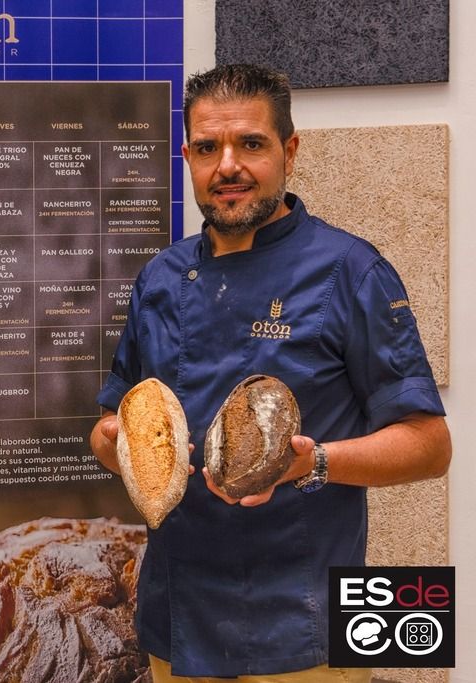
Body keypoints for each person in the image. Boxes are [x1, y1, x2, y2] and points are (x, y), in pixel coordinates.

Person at [90, 64, 451, 681]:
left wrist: (312, 463)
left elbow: (430, 446)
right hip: (177, 622)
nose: (227, 165)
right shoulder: (159, 279)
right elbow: (114, 422)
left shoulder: (351, 271)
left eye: (251, 144)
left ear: (289, 150)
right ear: (188, 156)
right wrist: (114, 443)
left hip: (307, 627)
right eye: (207, 148)